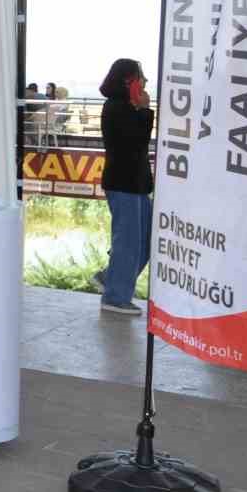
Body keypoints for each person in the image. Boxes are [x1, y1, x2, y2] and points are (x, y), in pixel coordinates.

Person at [91, 58, 153, 316]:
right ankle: (115, 296)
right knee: (127, 241)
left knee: (146, 241)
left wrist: (141, 109)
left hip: (136, 184)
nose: (146, 82)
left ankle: (111, 277)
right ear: (129, 81)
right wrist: (144, 109)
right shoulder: (116, 108)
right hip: (123, 184)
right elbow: (137, 142)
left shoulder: (127, 107)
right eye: (141, 77)